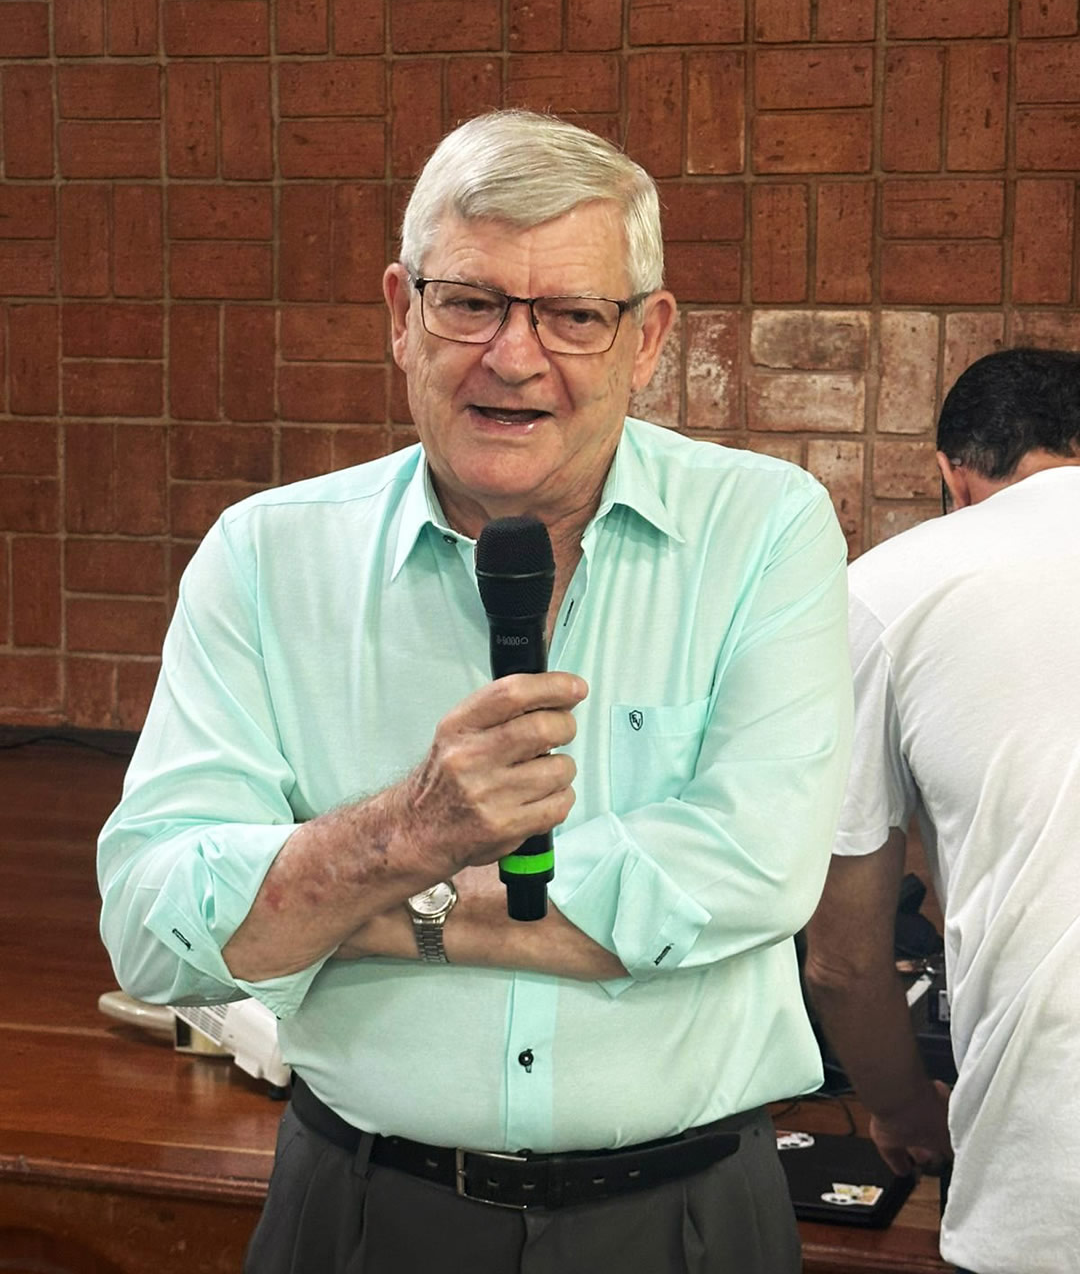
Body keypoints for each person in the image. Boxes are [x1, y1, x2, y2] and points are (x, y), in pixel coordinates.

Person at [98, 108, 853, 1274]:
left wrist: (355, 908)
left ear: (647, 338)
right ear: (401, 315)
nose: (514, 355)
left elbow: (752, 874)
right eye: (471, 302)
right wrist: (404, 832)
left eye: (573, 315)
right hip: (359, 1209)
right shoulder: (265, 557)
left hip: (689, 1218)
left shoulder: (764, 529)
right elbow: (154, 929)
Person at [804, 347, 1080, 1274]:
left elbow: (843, 959)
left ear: (952, 477)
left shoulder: (887, 590)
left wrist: (904, 1111)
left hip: (1048, 1176)